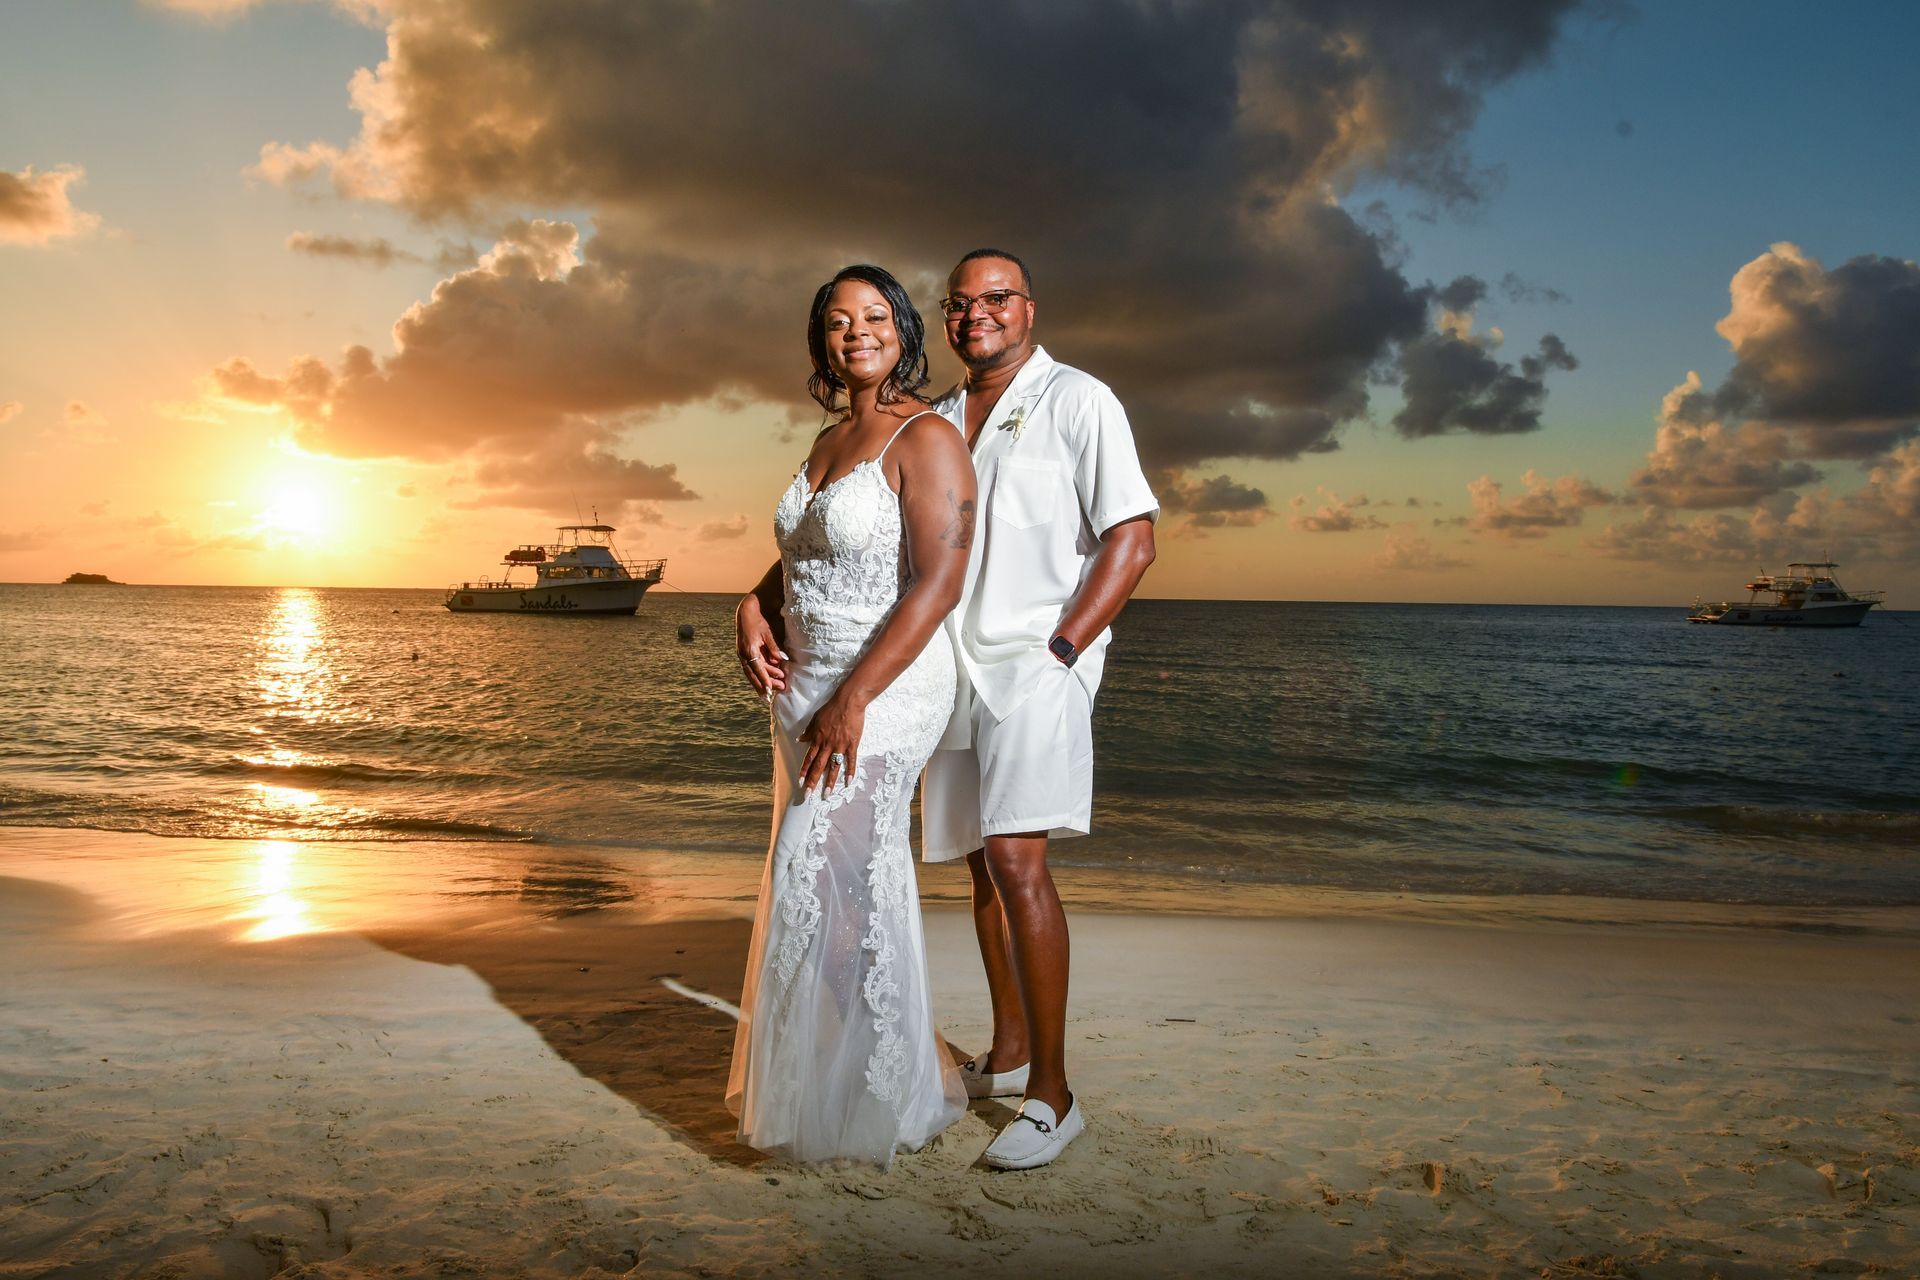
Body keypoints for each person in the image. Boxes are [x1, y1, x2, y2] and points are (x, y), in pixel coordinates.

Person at [727, 264, 974, 1166]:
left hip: (885, 688)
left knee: (818, 877)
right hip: (805, 687)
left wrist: (856, 700)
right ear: (821, 341)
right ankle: (878, 1067)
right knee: (834, 894)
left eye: (873, 316)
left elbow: (939, 581)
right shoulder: (830, 438)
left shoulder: (927, 438)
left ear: (904, 330)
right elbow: (802, 554)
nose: (854, 332)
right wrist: (751, 605)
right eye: (836, 321)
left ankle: (890, 1089)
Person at [921, 249, 1159, 1171]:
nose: (976, 314)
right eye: (959, 303)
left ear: (1030, 307)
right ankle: (1009, 1052)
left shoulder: (1080, 400)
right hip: (950, 671)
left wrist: (1064, 651)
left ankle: (1055, 1095)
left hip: (1034, 665)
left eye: (996, 298)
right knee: (980, 871)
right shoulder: (936, 417)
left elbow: (1131, 542)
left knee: (1021, 865)